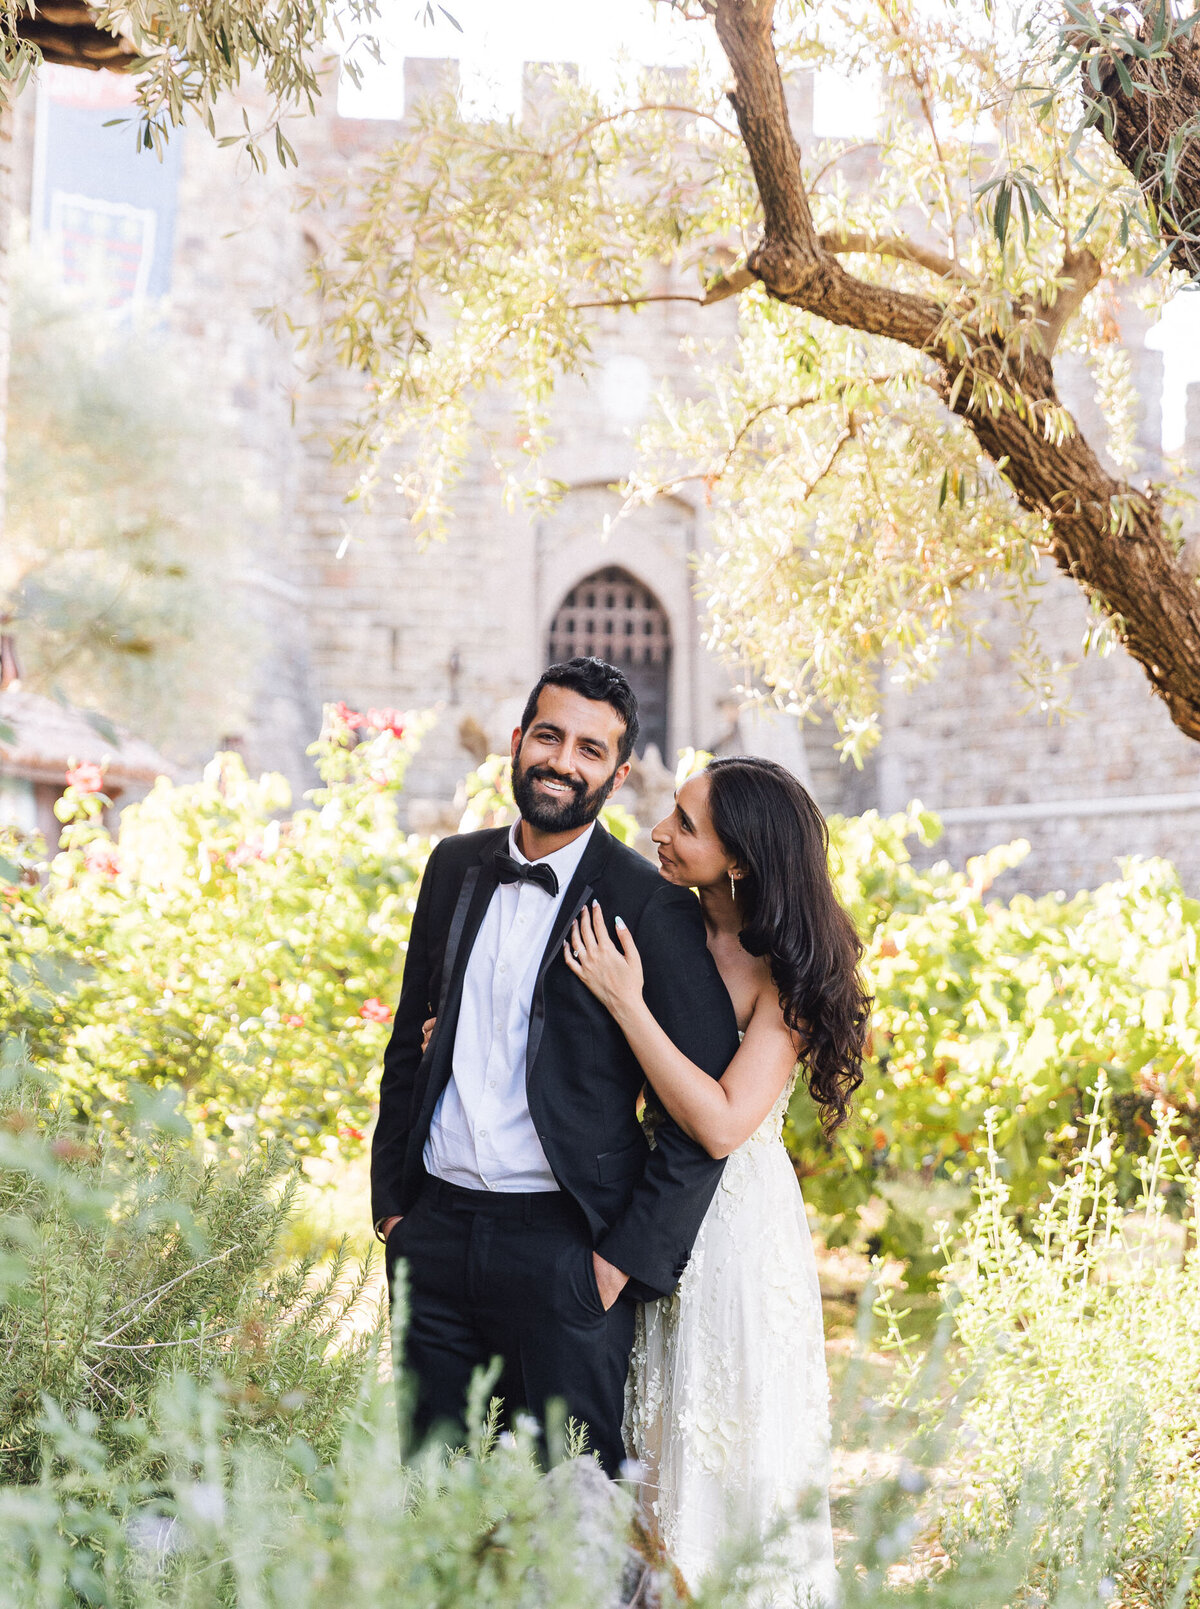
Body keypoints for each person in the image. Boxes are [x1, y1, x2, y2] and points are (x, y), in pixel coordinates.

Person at [370, 657, 740, 1476]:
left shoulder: (651, 905)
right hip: (433, 1236)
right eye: (549, 735)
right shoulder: (453, 867)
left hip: (569, 1255)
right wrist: (395, 1211)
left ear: (618, 770)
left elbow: (701, 1113)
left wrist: (620, 1265)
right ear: (517, 740)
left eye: (589, 748)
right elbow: (407, 1045)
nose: (562, 761)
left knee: (570, 1527)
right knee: (435, 1511)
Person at [563, 755, 870, 1602]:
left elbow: (727, 1120)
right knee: (659, 1433)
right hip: (654, 1207)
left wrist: (629, 1002)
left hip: (739, 1229)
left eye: (686, 823)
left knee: (737, 1440)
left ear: (740, 859)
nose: (659, 831)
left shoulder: (792, 972)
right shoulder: (661, 925)